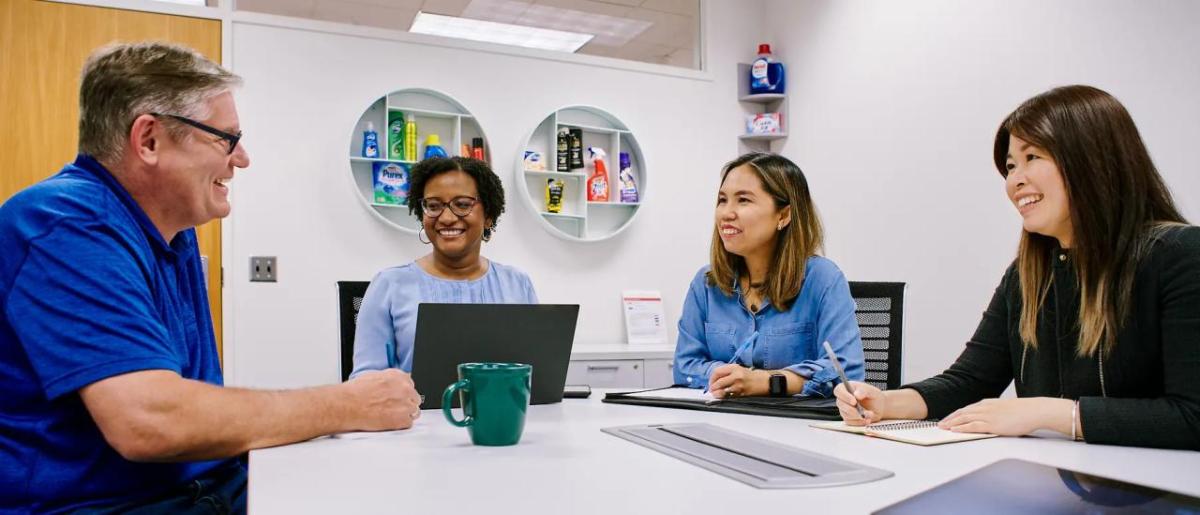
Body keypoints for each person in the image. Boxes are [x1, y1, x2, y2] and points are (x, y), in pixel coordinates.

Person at [0, 42, 421, 513]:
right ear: (149, 140)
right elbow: (150, 421)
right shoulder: (64, 225)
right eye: (226, 138)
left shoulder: (170, 234)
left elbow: (188, 409)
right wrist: (348, 405)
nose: (241, 159)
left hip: (205, 488)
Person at [834, 85, 1200, 450]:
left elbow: (1192, 416)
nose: (1015, 180)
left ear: (1093, 159)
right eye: (1010, 166)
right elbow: (970, 381)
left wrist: (1049, 413)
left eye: (1033, 157)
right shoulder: (1026, 274)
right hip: (1054, 482)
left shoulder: (1179, 255)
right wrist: (886, 403)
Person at [673, 153, 865, 399]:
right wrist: (728, 377)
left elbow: (846, 372)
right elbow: (684, 367)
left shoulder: (824, 279)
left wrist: (766, 382)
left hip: (799, 429)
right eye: (722, 200)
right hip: (722, 421)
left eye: (743, 200)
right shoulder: (706, 283)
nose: (726, 213)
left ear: (783, 215)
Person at [350, 156, 537, 376]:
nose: (446, 218)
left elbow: (534, 372)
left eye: (463, 205)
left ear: (488, 215)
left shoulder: (517, 284)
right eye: (434, 206)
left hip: (501, 410)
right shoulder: (389, 285)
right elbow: (365, 382)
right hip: (415, 410)